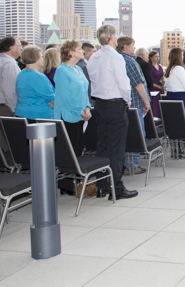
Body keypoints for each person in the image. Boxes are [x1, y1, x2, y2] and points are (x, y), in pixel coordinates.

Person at [86, 24, 138, 199]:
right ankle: (116, 187)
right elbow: (123, 83)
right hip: (115, 105)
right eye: (115, 34)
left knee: (103, 146)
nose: (116, 37)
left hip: (99, 105)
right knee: (117, 149)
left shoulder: (93, 57)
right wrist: (127, 101)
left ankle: (102, 185)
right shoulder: (115, 57)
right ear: (111, 37)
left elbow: (92, 80)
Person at [119, 37, 152, 173]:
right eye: (133, 45)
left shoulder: (117, 59)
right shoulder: (129, 61)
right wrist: (146, 101)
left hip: (124, 104)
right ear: (125, 47)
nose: (134, 48)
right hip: (136, 103)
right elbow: (139, 84)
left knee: (128, 134)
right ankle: (131, 165)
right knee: (137, 134)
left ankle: (126, 164)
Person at [53, 39, 91, 157]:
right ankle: (70, 175)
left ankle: (77, 174)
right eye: (79, 49)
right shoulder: (61, 70)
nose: (83, 51)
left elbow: (85, 91)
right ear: (70, 53)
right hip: (68, 115)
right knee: (70, 151)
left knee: (79, 148)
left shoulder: (78, 69)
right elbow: (66, 97)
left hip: (80, 115)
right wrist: (81, 112)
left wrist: (87, 107)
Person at [15, 46, 55, 120]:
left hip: (22, 113)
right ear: (36, 59)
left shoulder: (22, 73)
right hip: (38, 116)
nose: (42, 58)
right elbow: (51, 100)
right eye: (41, 56)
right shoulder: (38, 76)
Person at [164, 47, 185, 122]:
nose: (183, 57)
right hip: (179, 95)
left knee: (174, 119)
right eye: (182, 55)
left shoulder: (170, 68)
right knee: (181, 119)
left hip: (171, 94)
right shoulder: (178, 68)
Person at [147, 49, 167, 119]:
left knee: (160, 104)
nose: (157, 58)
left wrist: (163, 84)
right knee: (154, 105)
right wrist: (157, 86)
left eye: (158, 56)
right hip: (154, 89)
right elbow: (148, 80)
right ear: (151, 57)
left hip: (161, 89)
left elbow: (162, 77)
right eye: (155, 56)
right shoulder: (149, 67)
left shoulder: (160, 66)